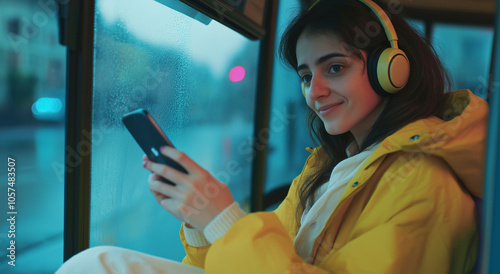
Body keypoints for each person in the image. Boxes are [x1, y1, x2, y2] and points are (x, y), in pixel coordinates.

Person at [56, 0, 488, 273]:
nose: (314, 92)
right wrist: (203, 218)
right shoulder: (332, 167)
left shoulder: (426, 186)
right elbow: (260, 256)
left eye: (334, 67)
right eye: (305, 75)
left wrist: (222, 218)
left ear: (393, 69)